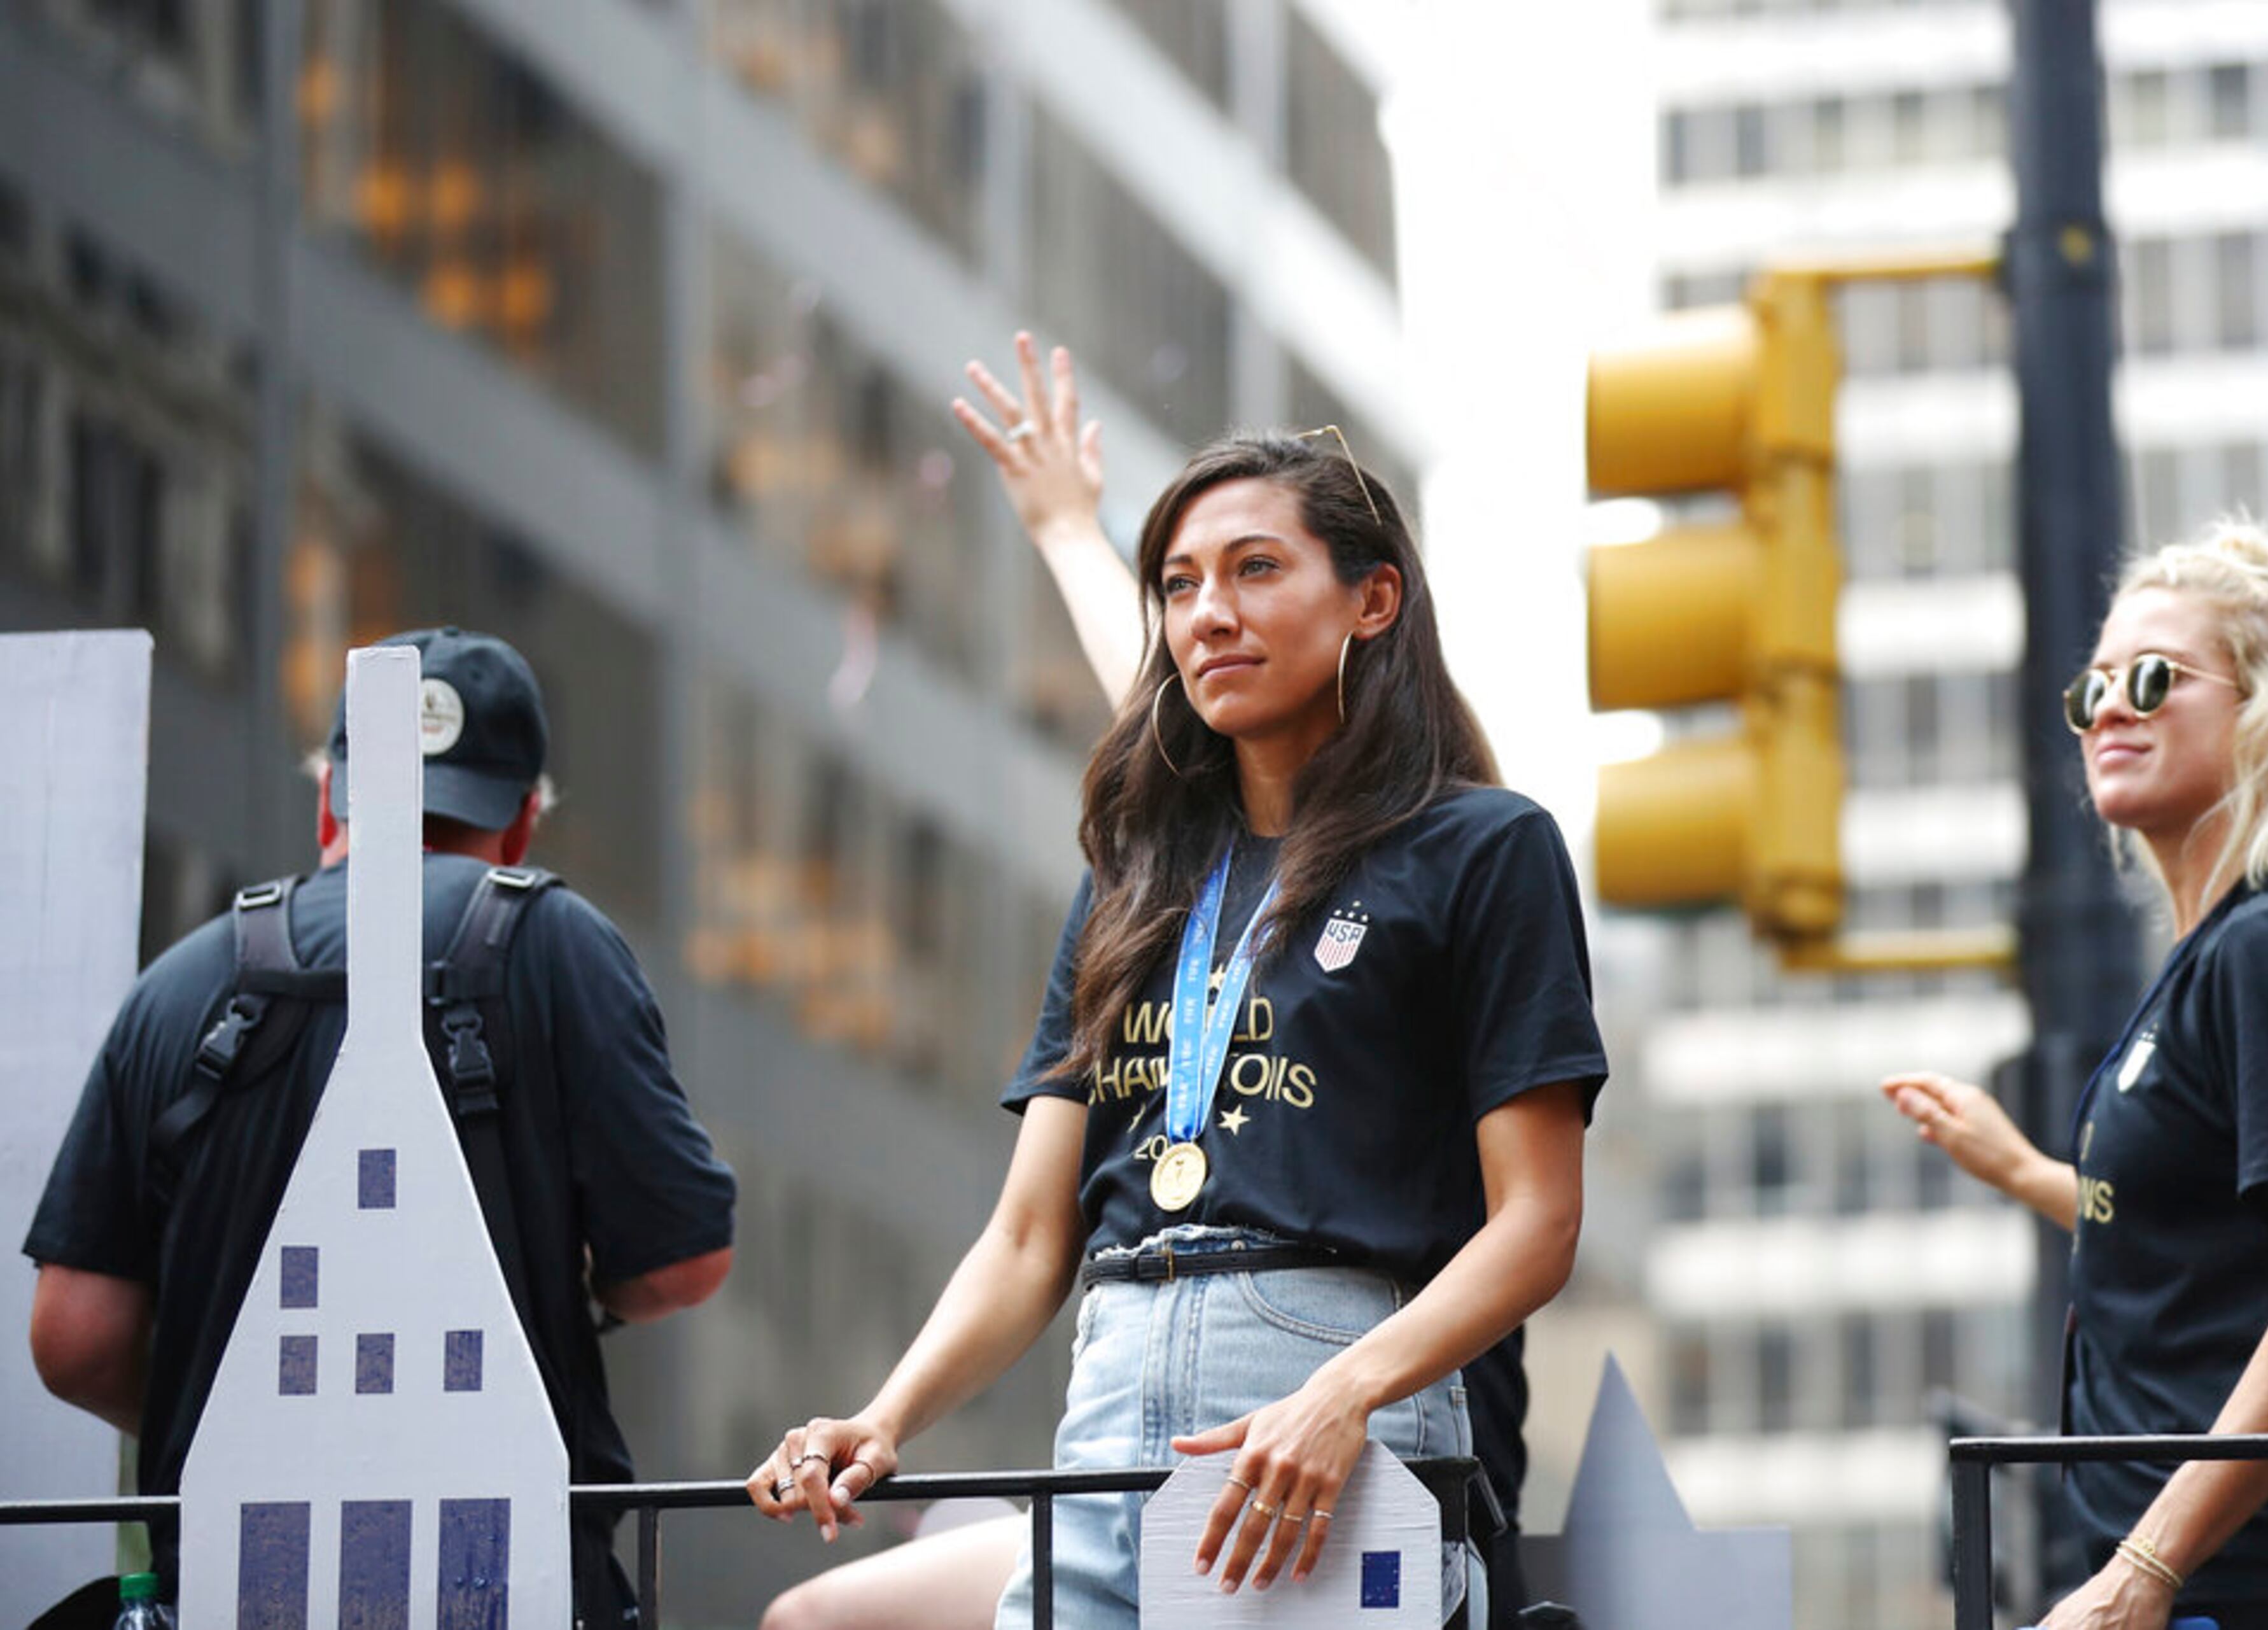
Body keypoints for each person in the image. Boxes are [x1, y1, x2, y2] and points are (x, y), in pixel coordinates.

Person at [749, 390, 1606, 1630]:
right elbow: (1029, 1239)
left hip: (1327, 1380)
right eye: (1180, 584)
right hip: (1116, 1379)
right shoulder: (1137, 882)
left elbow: (1542, 1221)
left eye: (1257, 570)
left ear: (1374, 600)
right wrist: (883, 1418)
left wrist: (1342, 1396)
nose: (1211, 613)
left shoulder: (1480, 850)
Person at [25, 626, 739, 1626]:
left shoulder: (182, 981)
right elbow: (682, 1261)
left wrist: (273, 1424)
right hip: (512, 1581)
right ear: (523, 821)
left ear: (330, 799)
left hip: (235, 1587)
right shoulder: (557, 945)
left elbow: (74, 1337)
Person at [1881, 523, 2268, 1630]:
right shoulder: (2230, 954)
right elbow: (2195, 1241)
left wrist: (2142, 1572)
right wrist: (2032, 1172)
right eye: (2092, 691)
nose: (2110, 710)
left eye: (2152, 678)